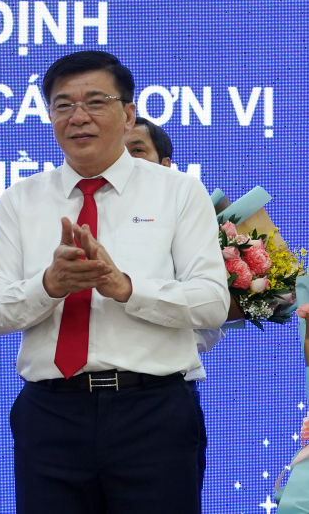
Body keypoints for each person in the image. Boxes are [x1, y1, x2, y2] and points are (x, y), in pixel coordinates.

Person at [0, 50, 229, 514]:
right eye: (63, 105)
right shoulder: (20, 200)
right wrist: (50, 284)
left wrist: (126, 287)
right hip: (51, 414)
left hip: (153, 412)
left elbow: (212, 301)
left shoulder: (178, 192)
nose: (78, 117)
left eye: (95, 102)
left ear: (128, 114)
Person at [125, 115, 225, 500]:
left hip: (167, 391)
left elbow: (210, 317)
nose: (127, 161)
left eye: (137, 150)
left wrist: (161, 331)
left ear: (166, 164)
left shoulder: (187, 215)